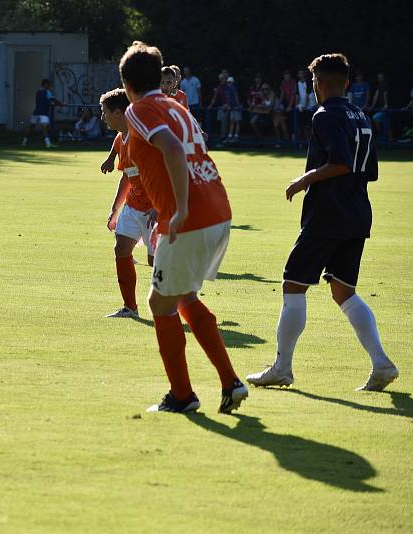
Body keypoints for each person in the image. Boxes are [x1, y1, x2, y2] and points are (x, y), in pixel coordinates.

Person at [246, 53, 398, 392]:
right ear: (345, 82)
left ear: (318, 83)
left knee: (293, 284)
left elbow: (341, 162)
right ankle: (382, 364)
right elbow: (369, 171)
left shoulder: (325, 115)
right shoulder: (361, 116)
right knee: (343, 291)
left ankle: (282, 368)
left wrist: (304, 180)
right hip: (358, 212)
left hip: (329, 214)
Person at [120, 41, 248, 414]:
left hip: (189, 217)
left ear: (126, 82)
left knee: (160, 302)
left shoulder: (138, 109)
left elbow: (173, 150)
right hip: (218, 208)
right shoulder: (176, 106)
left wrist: (179, 209)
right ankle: (230, 383)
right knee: (183, 297)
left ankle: (182, 394)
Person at [99, 88, 157, 318]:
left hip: (155, 208)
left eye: (105, 112)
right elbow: (127, 176)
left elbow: (161, 173)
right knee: (121, 249)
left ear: (120, 112)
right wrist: (115, 210)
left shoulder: (142, 139)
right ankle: (130, 307)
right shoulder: (120, 138)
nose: (102, 116)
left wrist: (158, 206)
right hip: (134, 205)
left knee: (155, 262)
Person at [22, 79, 62, 148]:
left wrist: (54, 103)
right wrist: (60, 104)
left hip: (36, 112)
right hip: (43, 112)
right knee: (45, 127)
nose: (49, 86)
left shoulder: (38, 91)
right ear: (45, 84)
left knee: (31, 127)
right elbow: (53, 100)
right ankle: (48, 144)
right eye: (48, 84)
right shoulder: (47, 92)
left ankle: (24, 142)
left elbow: (49, 102)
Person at [370, 73, 392, 141]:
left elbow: (385, 94)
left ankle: (390, 139)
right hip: (382, 108)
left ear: (383, 78)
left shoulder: (385, 85)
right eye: (379, 77)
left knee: (387, 123)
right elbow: (376, 96)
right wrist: (372, 106)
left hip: (386, 108)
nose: (379, 79)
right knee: (376, 119)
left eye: (381, 77)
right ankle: (382, 135)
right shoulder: (379, 85)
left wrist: (386, 104)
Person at [209, 71, 230, 139]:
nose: (222, 79)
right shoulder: (219, 87)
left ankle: (224, 138)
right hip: (221, 108)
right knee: (220, 123)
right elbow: (214, 98)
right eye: (221, 78)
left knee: (225, 123)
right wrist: (211, 105)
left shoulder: (229, 86)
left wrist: (228, 105)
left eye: (224, 77)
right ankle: (222, 138)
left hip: (228, 108)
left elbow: (231, 97)